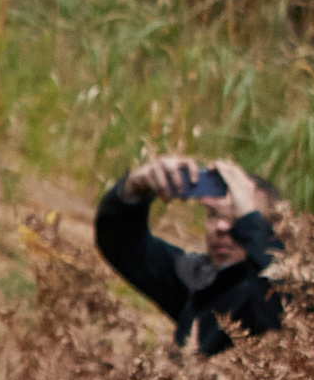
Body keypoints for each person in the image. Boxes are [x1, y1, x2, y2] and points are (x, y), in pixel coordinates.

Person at [95, 153, 288, 357]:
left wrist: (249, 221)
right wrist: (136, 187)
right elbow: (124, 246)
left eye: (236, 217)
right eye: (215, 215)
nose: (222, 227)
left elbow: (283, 308)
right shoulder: (201, 281)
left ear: (272, 232)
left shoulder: (284, 297)